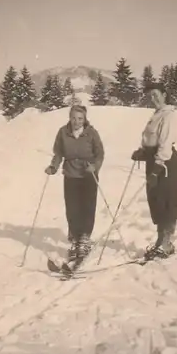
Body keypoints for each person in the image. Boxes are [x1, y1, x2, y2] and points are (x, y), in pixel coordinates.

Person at [45, 105, 104, 260]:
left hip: (88, 174)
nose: (76, 122)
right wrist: (53, 166)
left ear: (84, 119)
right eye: (73, 118)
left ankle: (85, 238)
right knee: (72, 208)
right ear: (69, 118)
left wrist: (95, 166)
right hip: (70, 174)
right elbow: (58, 152)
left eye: (80, 118)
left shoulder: (91, 133)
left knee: (87, 206)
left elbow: (100, 153)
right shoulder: (63, 133)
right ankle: (76, 238)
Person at [131, 82, 177, 259]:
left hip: (166, 165)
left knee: (167, 201)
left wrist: (156, 169)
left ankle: (167, 243)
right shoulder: (157, 115)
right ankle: (160, 241)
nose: (154, 98)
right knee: (156, 203)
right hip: (154, 162)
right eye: (151, 95)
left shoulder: (168, 115)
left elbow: (165, 144)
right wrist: (143, 153)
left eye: (156, 94)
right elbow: (151, 141)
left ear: (164, 94)